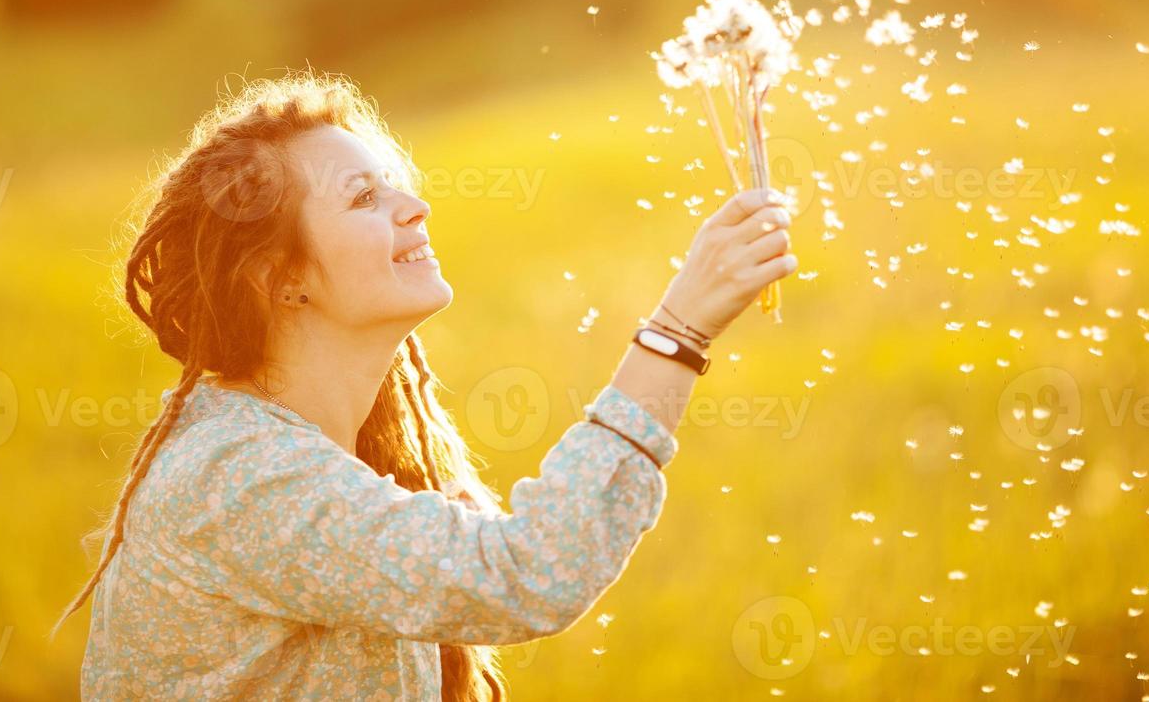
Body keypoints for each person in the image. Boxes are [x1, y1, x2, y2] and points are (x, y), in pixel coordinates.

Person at [55, 71, 797, 700]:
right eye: (362, 199)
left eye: (397, 188)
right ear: (280, 280)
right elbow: (532, 571)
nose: (416, 207)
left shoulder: (342, 453)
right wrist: (679, 329)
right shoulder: (238, 477)